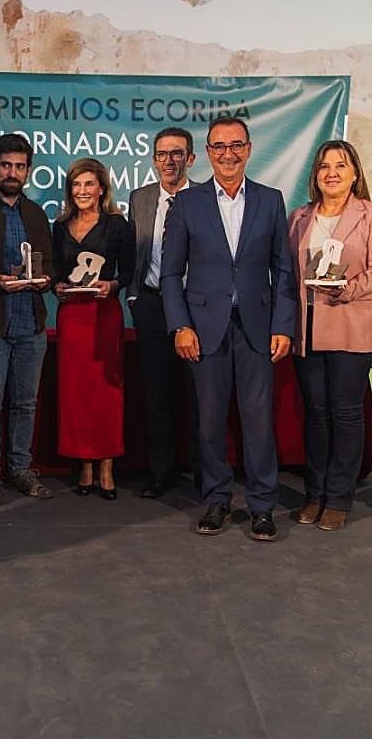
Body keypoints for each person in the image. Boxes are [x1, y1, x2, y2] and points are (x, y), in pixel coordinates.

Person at [161, 117, 297, 541]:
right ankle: (217, 499)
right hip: (204, 331)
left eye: (236, 145)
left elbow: (284, 270)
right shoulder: (188, 203)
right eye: (219, 146)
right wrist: (180, 325)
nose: (228, 154)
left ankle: (262, 506)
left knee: (259, 422)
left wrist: (284, 325)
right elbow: (170, 274)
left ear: (249, 149)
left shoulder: (271, 200)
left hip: (258, 328)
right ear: (207, 153)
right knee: (209, 422)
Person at [288, 141, 372, 531]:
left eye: (341, 165)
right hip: (308, 327)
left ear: (354, 174)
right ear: (315, 175)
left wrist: (347, 289)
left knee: (346, 413)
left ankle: (338, 497)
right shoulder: (299, 217)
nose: (331, 173)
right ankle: (314, 493)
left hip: (351, 323)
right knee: (315, 414)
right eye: (324, 166)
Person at [0, 133, 55, 505]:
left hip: (30, 324)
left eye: (20, 166)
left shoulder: (35, 213)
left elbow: (49, 263)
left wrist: (47, 278)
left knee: (25, 404)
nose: (12, 172)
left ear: (28, 170)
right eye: (6, 165)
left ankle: (20, 468)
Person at [51, 157, 135, 500]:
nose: (82, 190)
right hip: (72, 318)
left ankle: (107, 466)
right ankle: (84, 464)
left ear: (101, 188)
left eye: (89, 184)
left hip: (103, 316)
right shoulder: (60, 226)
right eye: (76, 184)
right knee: (76, 394)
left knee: (105, 394)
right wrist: (56, 285)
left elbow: (128, 272)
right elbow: (57, 272)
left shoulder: (117, 225)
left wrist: (112, 286)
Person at [127, 127, 202, 498]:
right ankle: (162, 473)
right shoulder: (139, 198)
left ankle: (205, 474)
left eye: (177, 153)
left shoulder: (205, 198)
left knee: (200, 396)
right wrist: (134, 297)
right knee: (157, 395)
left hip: (196, 308)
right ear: (154, 159)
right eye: (162, 154)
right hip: (152, 305)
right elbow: (133, 253)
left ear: (191, 158)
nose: (169, 161)